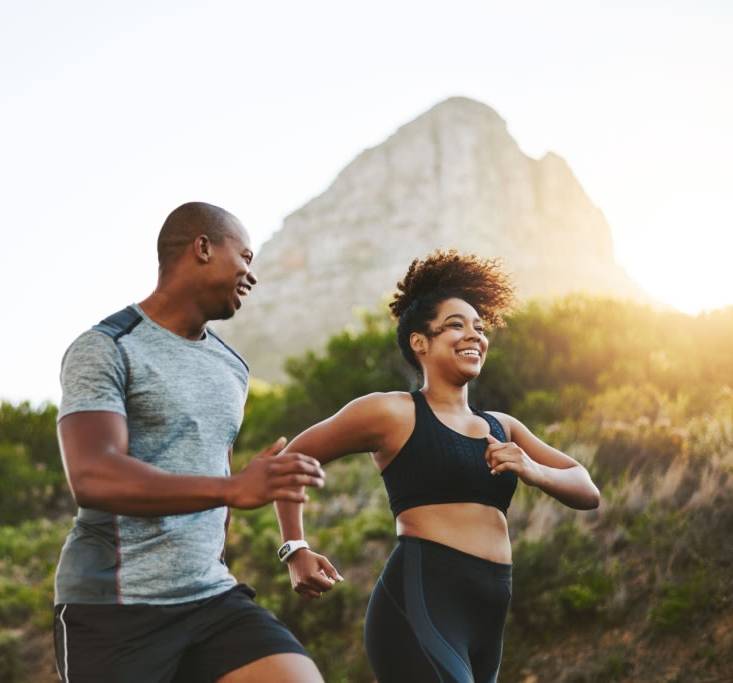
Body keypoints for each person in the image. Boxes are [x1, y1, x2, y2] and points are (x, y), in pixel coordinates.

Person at [273, 250, 601, 683]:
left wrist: (534, 471)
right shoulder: (391, 413)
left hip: (488, 617)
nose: (474, 336)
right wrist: (294, 548)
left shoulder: (503, 427)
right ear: (419, 342)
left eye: (480, 328)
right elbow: (289, 463)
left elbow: (587, 489)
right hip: (419, 607)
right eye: (455, 326)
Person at [54, 201, 327, 683]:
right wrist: (232, 489)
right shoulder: (107, 347)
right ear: (202, 248)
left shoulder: (231, 367)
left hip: (212, 599)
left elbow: (217, 472)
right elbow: (93, 475)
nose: (252, 274)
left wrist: (246, 497)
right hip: (115, 610)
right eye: (244, 257)